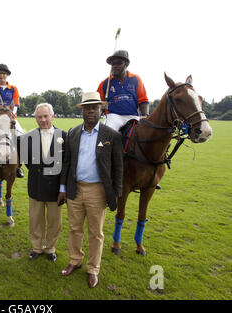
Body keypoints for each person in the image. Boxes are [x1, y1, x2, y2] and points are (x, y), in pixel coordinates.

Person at [57, 92, 123, 288]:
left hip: (98, 191)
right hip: (75, 189)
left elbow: (118, 167)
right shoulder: (73, 133)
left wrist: (117, 193)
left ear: (101, 110)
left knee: (96, 233)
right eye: (87, 107)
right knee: (75, 229)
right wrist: (63, 188)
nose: (91, 110)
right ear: (82, 111)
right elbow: (67, 163)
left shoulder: (112, 135)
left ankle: (93, 269)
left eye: (95, 107)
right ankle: (75, 261)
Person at [97, 50, 161, 189]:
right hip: (113, 115)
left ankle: (152, 173)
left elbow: (143, 101)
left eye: (118, 63)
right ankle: (105, 173)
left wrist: (144, 117)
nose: (114, 66)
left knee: (148, 138)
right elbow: (99, 104)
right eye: (112, 64)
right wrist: (102, 107)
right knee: (107, 137)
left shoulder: (136, 79)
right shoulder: (105, 83)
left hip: (132, 115)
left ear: (126, 64)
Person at [23, 103, 66, 263]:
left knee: (55, 222)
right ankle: (36, 247)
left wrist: (63, 187)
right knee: (35, 220)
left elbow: (66, 164)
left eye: (46, 116)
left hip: (56, 189)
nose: (43, 119)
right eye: (39, 117)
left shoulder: (64, 136)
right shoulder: (28, 137)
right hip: (36, 185)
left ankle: (50, 248)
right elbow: (27, 162)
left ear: (52, 116)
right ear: (35, 119)